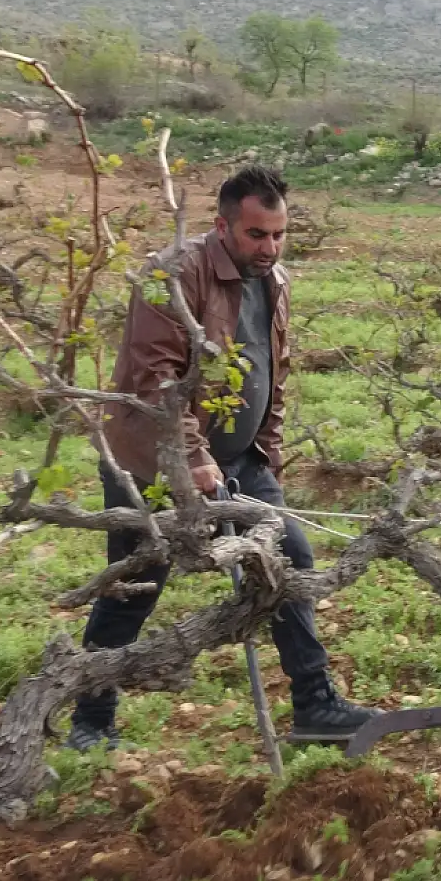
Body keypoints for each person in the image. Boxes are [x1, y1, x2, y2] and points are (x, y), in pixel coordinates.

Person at [65, 165, 379, 751]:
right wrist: (193, 460)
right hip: (155, 464)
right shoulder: (174, 273)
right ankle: (91, 722)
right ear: (223, 225)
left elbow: (272, 374)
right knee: (135, 586)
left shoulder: (275, 279)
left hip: (243, 461)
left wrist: (268, 453)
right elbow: (155, 379)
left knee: (290, 560)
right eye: (257, 235)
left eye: (279, 234)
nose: (271, 247)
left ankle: (315, 705)